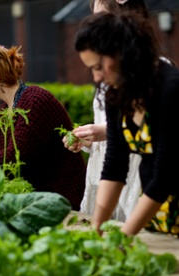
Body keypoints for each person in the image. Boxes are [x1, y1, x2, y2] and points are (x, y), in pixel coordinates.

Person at [75, 11, 179, 236]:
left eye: (98, 66)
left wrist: (122, 237)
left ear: (122, 52)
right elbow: (114, 164)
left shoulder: (170, 89)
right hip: (158, 214)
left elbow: (166, 175)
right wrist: (97, 228)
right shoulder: (118, 93)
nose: (97, 78)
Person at [0, 42, 86, 210]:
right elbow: (2, 157)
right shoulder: (5, 108)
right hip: (37, 200)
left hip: (63, 200)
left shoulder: (35, 100)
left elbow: (15, 157)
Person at [63, 0, 150, 222]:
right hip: (109, 175)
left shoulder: (155, 75)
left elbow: (157, 141)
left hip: (139, 178)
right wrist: (88, 140)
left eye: (102, 19)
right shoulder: (108, 79)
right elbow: (113, 156)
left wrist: (106, 131)